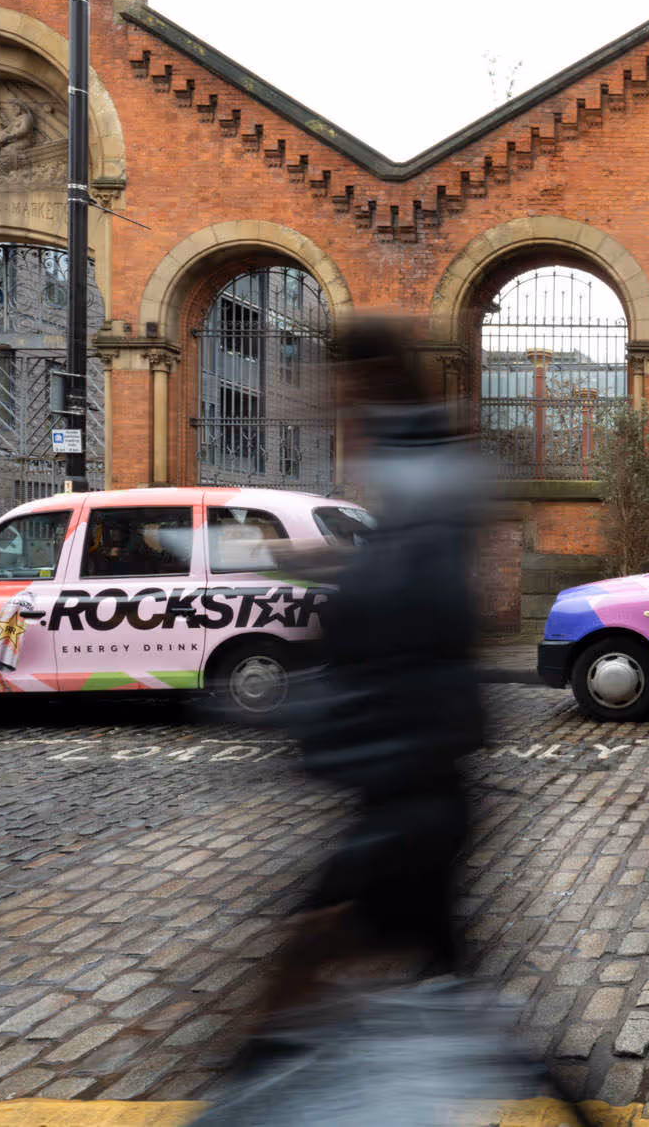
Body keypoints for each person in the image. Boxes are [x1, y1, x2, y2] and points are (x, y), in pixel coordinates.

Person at [252, 320, 493, 1024]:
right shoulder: (417, 466)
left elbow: (420, 607)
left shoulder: (422, 470)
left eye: (343, 386)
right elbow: (411, 585)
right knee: (452, 991)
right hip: (417, 773)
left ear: (367, 382)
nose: (335, 405)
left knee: (303, 959)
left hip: (410, 777)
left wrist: (340, 607)